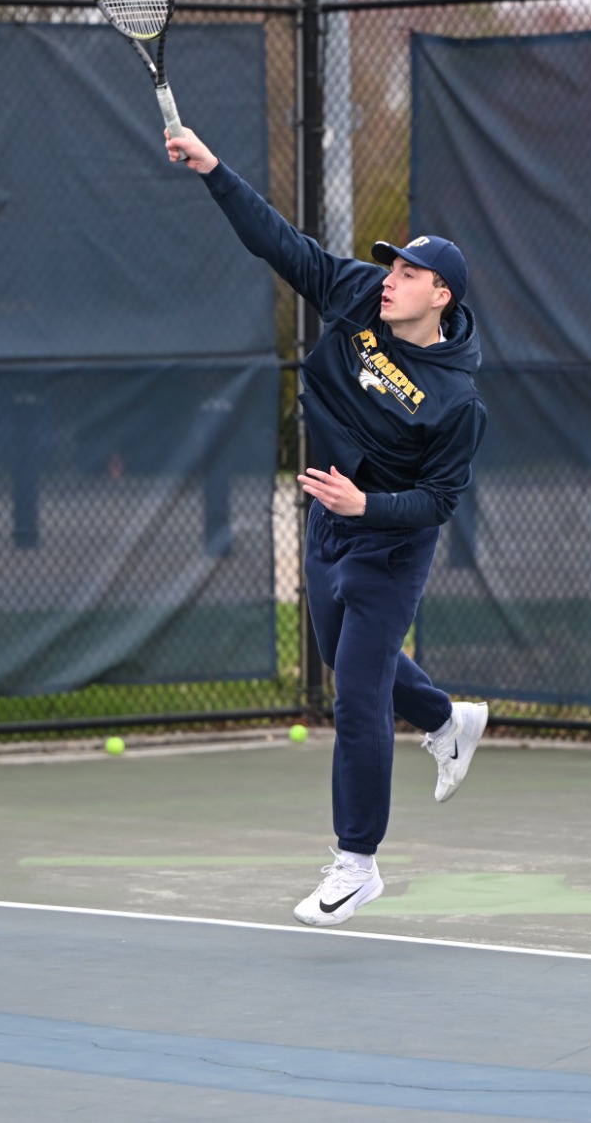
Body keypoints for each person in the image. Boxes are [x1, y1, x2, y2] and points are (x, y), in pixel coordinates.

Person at [163, 126, 490, 928]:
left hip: (389, 542)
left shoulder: (457, 403)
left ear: (440, 294)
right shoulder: (355, 293)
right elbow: (284, 246)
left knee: (357, 695)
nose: (392, 278)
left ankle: (357, 861)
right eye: (393, 264)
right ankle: (449, 719)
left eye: (410, 272)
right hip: (328, 518)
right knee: (346, 662)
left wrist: (367, 508)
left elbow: (439, 501)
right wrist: (214, 168)